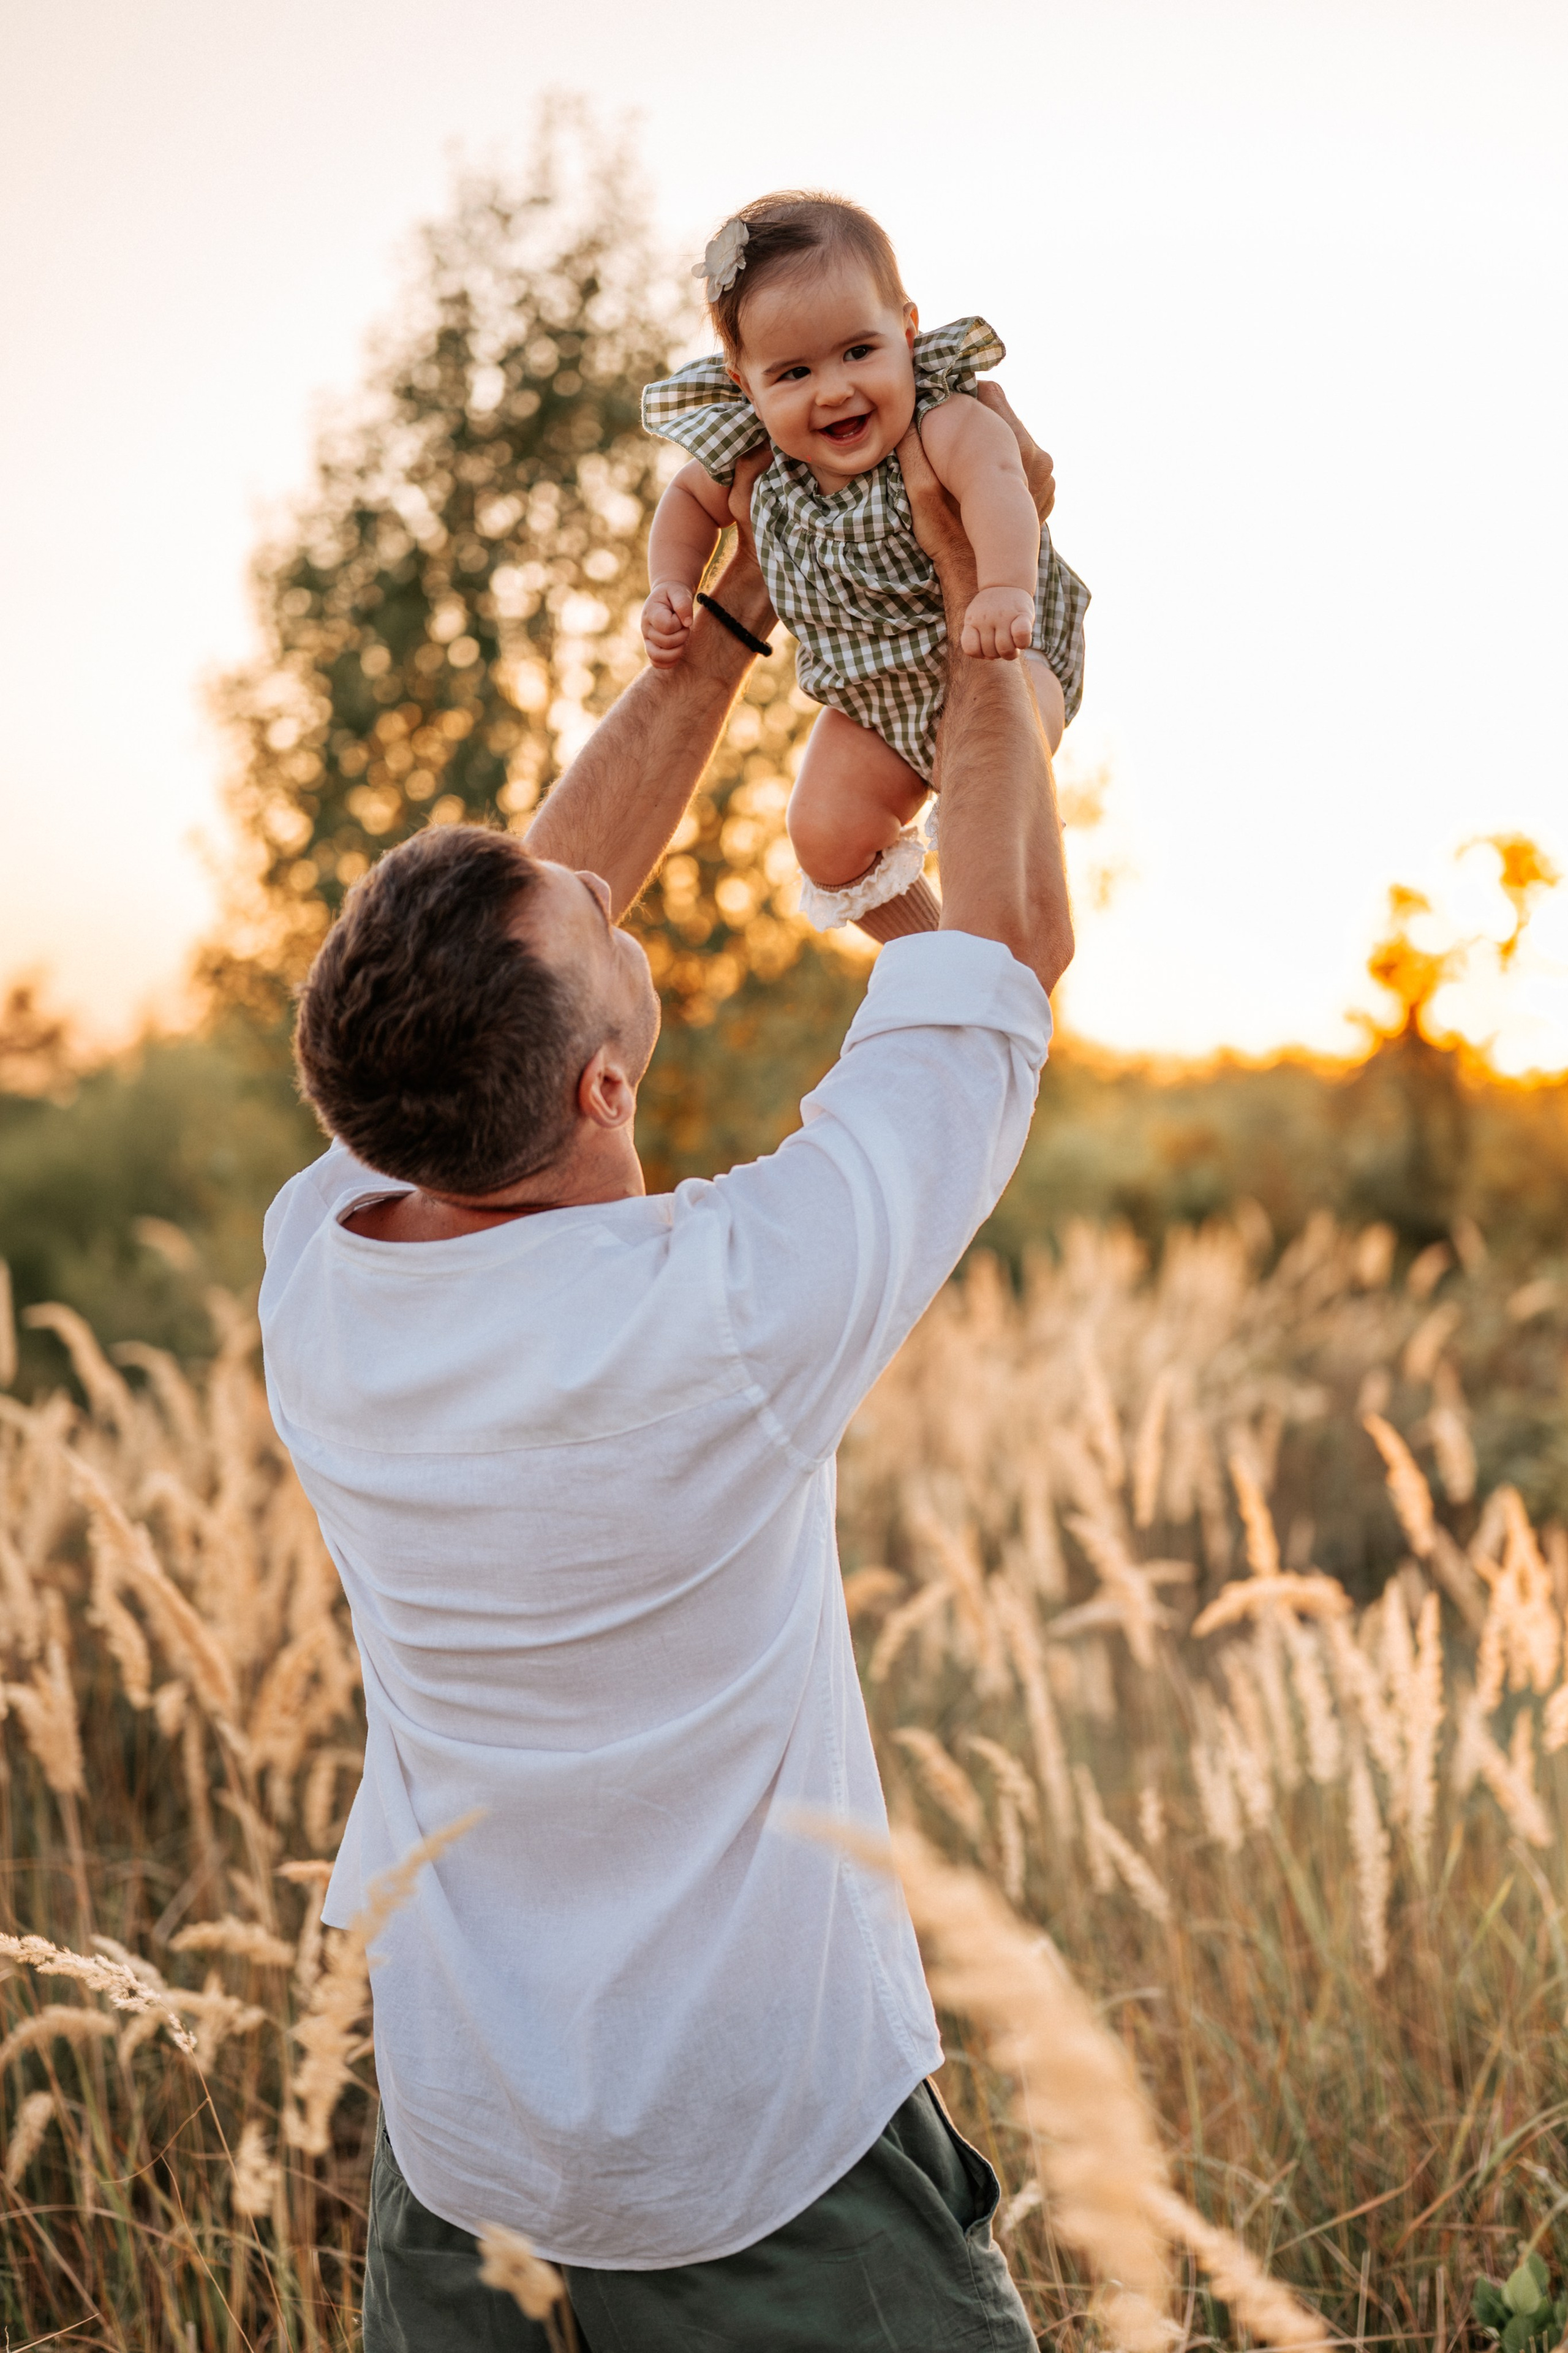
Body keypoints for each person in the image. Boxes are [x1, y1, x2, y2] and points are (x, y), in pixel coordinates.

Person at [258, 401, 1073, 2351]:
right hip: (768, 2162)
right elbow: (1005, 953)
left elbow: (527, 924)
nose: (597, 893)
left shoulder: (331, 1262)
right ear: (604, 1083)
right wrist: (978, 613)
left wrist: (711, 640)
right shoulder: (727, 1304)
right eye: (593, 937)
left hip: (468, 2161)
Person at [641, 188, 1090, 941]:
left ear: (907, 332)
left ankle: (997, 953)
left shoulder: (940, 420)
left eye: (858, 351)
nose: (835, 389)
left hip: (1004, 651)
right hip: (873, 700)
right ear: (744, 383)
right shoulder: (759, 459)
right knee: (822, 835)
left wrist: (1004, 588)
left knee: (993, 800)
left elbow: (1003, 482)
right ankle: (932, 958)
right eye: (793, 374)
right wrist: (670, 585)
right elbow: (686, 502)